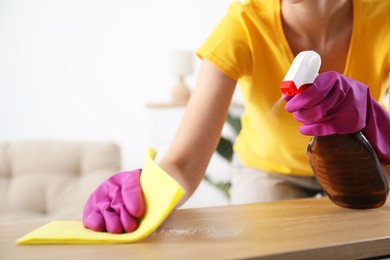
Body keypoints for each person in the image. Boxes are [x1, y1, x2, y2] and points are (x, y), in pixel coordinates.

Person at [83, 0, 390, 234]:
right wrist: (150, 194)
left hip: (360, 163)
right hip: (268, 172)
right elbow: (182, 162)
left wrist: (374, 118)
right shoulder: (243, 24)